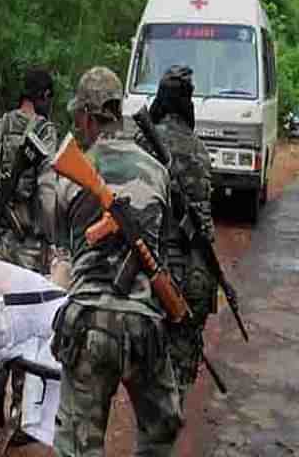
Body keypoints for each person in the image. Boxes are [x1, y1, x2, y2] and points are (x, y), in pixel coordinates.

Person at [51, 67, 183, 456]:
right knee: (161, 430)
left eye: (79, 116)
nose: (78, 123)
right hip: (143, 325)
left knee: (78, 444)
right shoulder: (156, 172)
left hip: (88, 321)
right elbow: (165, 245)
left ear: (88, 117)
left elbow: (62, 253)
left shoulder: (66, 176)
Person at [0, 69, 58, 431]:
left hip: (2, 239)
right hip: (31, 245)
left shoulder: (4, 125)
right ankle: (20, 416)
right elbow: (49, 195)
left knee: (3, 315)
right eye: (48, 96)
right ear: (41, 95)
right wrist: (55, 240)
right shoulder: (46, 132)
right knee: (29, 323)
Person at [137, 65, 218, 405]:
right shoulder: (199, 148)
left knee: (145, 359)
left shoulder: (144, 141)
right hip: (195, 271)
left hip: (152, 269)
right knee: (182, 357)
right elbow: (206, 223)